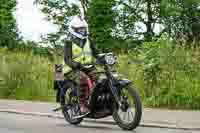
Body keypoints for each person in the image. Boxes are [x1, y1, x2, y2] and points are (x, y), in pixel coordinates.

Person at [63, 15, 99, 114]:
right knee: (82, 79)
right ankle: (82, 105)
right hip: (71, 69)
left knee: (100, 79)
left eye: (84, 28)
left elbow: (96, 53)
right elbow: (67, 59)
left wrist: (104, 58)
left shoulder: (88, 40)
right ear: (74, 29)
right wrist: (76, 65)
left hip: (87, 67)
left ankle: (96, 101)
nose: (83, 31)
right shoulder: (68, 42)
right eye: (80, 29)